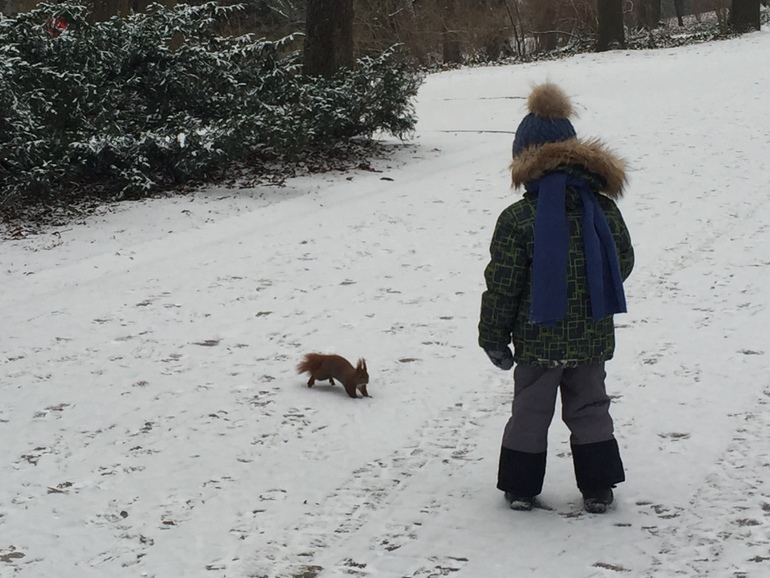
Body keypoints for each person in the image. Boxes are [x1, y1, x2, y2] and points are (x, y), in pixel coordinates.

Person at [478, 82, 634, 514]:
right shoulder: (603, 210)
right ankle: (599, 487)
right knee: (591, 407)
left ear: (525, 161)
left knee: (530, 410)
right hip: (591, 334)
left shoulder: (517, 218)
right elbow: (622, 261)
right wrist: (588, 289)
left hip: (537, 339)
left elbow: (503, 284)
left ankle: (520, 487)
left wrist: (493, 336)